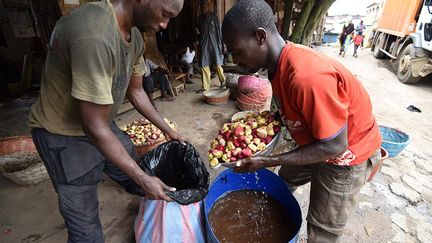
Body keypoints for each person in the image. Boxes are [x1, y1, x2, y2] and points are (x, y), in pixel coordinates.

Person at [222, 1, 382, 242]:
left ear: (260, 36)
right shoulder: (276, 67)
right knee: (284, 178)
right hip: (318, 139)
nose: (235, 59)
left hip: (345, 154)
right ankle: (267, 222)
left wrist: (267, 160)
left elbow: (334, 146)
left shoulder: (306, 76)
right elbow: (296, 109)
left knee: (321, 231)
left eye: (236, 50)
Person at [28, 0, 185, 242]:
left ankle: (144, 190)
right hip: (62, 134)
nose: (165, 25)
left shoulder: (135, 37)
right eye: (165, 14)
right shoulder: (95, 34)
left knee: (130, 157)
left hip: (99, 120)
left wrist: (166, 129)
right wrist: (143, 178)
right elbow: (93, 126)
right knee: (85, 226)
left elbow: (137, 92)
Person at [196, 0, 226, 93]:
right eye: (202, 7)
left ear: (208, 7)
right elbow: (198, 33)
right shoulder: (199, 19)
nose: (203, 9)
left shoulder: (214, 17)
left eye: (204, 7)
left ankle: (223, 82)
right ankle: (205, 87)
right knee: (204, 65)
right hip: (204, 45)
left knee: (217, 65)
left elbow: (220, 32)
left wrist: (223, 44)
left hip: (214, 45)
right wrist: (197, 34)